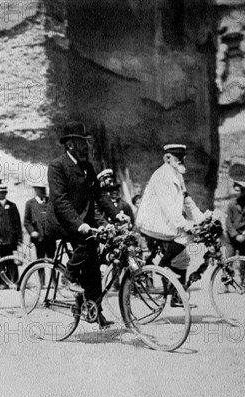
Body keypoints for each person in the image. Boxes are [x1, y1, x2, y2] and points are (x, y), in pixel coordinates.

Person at [46, 121, 123, 328]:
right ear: (70, 145)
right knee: (86, 240)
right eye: (82, 143)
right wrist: (78, 223)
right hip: (62, 221)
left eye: (86, 143)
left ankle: (95, 310)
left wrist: (116, 216)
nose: (86, 147)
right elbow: (60, 201)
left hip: (81, 222)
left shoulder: (87, 167)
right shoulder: (57, 166)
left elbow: (99, 195)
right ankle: (68, 276)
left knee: (93, 265)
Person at [136, 144, 204, 303]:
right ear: (167, 158)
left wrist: (201, 219)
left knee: (183, 259)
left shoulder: (177, 175)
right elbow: (169, 207)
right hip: (152, 223)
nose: (181, 160)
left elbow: (187, 201)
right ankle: (162, 267)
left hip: (164, 221)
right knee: (186, 235)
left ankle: (176, 296)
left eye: (182, 157)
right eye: (177, 157)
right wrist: (186, 225)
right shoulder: (163, 175)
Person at [0, 183, 22, 285]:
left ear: (5, 193)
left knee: (12, 261)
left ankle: (15, 281)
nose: (0, 195)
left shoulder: (12, 206)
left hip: (11, 239)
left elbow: (17, 222)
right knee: (1, 261)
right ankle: (3, 282)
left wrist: (19, 237)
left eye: (2, 193)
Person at [24, 182, 55, 262]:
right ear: (35, 190)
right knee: (40, 261)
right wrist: (32, 231)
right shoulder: (30, 204)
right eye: (40, 189)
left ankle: (53, 275)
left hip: (50, 238)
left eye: (43, 189)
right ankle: (41, 274)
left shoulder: (50, 202)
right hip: (39, 239)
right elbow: (27, 221)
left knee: (53, 261)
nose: (42, 191)